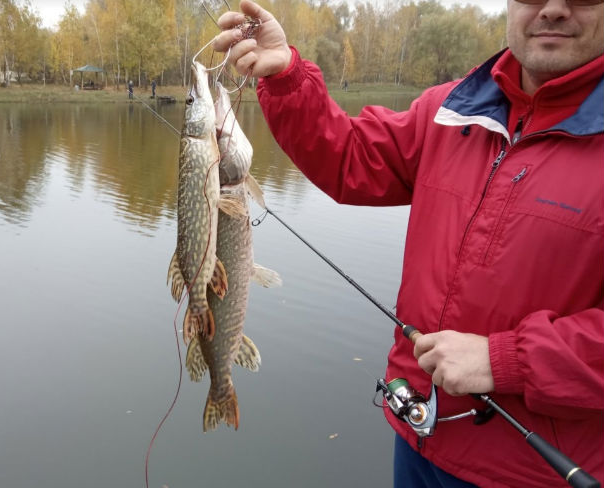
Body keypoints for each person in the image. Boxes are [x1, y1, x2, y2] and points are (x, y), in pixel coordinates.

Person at [213, 1, 603, 487]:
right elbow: (349, 158)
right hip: (421, 438)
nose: (554, 10)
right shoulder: (452, 108)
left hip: (539, 473)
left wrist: (508, 361)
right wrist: (288, 75)